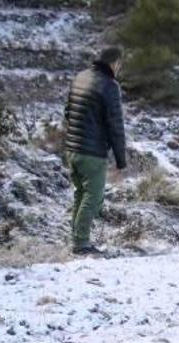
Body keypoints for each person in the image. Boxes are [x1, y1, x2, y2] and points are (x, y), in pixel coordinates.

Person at [63, 46, 127, 255]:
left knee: (81, 194)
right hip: (92, 153)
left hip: (72, 150)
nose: (119, 68)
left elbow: (68, 112)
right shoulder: (110, 86)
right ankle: (81, 244)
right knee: (94, 196)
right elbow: (115, 126)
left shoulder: (80, 77)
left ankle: (76, 241)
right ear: (114, 63)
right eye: (119, 64)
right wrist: (121, 162)